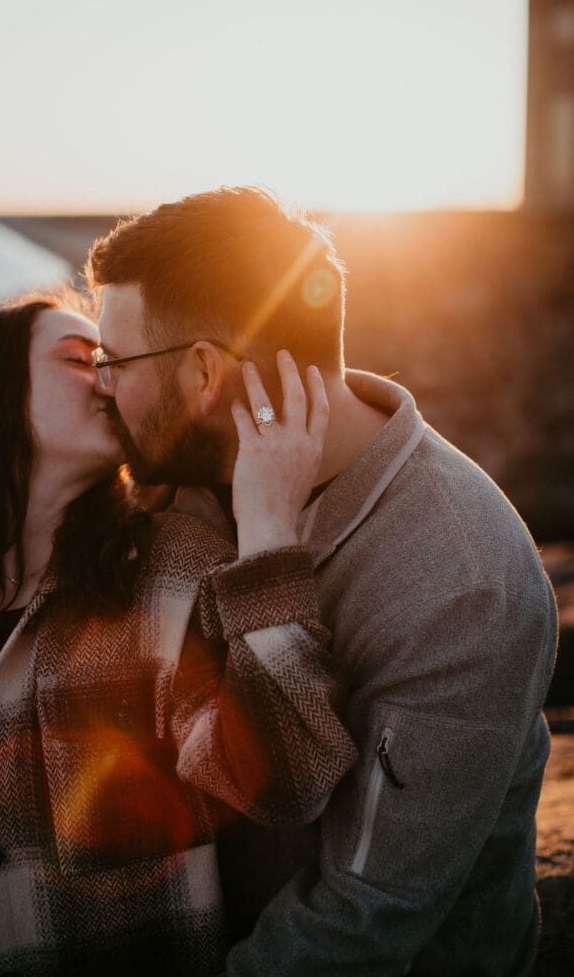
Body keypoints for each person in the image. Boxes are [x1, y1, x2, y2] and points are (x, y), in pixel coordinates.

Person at [86, 185, 559, 977]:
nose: (100, 386)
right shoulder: (185, 484)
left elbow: (364, 916)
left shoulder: (459, 581)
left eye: (113, 362)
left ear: (205, 373)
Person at [0, 292, 356, 977]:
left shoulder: (171, 572)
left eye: (111, 360)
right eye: (82, 360)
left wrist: (265, 530)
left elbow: (288, 784)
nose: (110, 378)